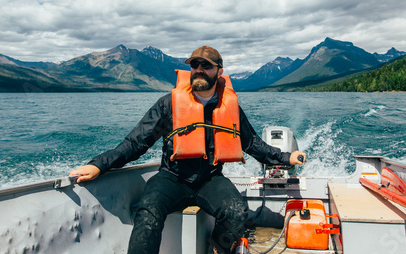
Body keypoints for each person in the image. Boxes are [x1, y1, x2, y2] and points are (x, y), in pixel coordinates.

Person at [69, 46, 306, 254]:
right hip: (172, 177)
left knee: (236, 211)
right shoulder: (168, 104)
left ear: (219, 72)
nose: (199, 69)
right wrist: (99, 164)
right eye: (195, 64)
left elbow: (252, 143)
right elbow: (136, 142)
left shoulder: (229, 107)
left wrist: (285, 157)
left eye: (207, 65)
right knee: (148, 210)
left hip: (211, 179)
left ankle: (218, 249)